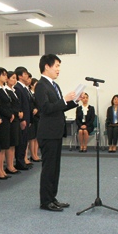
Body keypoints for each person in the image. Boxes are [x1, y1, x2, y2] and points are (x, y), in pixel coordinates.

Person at [35, 54, 78, 212]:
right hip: (48, 132)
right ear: (47, 66)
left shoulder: (54, 85)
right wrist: (64, 99)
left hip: (56, 132)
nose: (59, 69)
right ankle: (45, 201)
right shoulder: (41, 85)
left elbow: (59, 107)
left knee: (55, 168)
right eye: (57, 66)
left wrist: (74, 101)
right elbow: (45, 108)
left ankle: (53, 198)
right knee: (48, 168)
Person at [0, 68, 14, 178]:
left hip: (7, 119)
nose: (6, 77)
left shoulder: (3, 88)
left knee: (5, 145)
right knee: (1, 146)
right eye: (3, 75)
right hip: (2, 119)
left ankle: (2, 168)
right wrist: (9, 114)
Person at [14, 67, 33, 170]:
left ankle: (23, 160)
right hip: (23, 119)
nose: (27, 76)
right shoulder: (18, 88)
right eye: (25, 74)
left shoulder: (24, 88)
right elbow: (19, 105)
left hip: (27, 118)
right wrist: (22, 120)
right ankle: (20, 162)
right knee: (21, 142)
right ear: (20, 76)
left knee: (24, 141)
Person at [27, 77, 41, 162]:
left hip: (38, 116)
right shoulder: (30, 93)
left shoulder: (37, 94)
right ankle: (32, 154)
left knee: (36, 137)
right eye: (36, 84)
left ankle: (36, 154)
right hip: (33, 117)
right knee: (32, 137)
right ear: (31, 85)